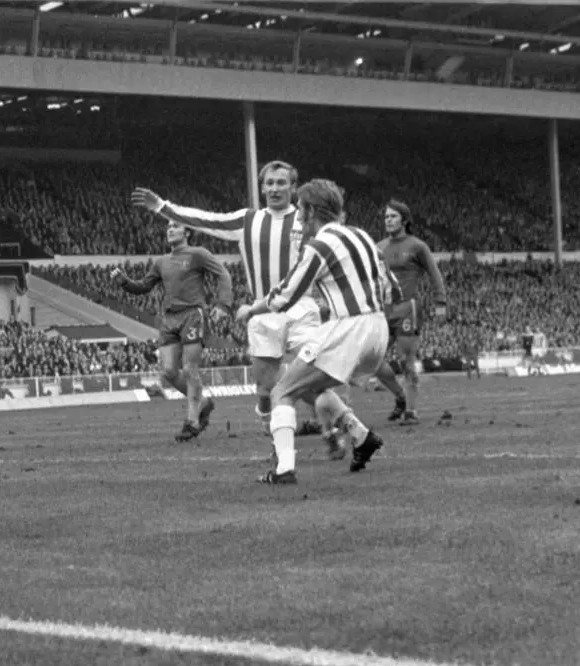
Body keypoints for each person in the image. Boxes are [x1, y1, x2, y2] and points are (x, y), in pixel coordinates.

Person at [132, 161, 323, 425]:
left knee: (314, 372)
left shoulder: (307, 221)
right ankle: (279, 412)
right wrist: (163, 207)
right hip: (263, 312)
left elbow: (330, 253)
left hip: (302, 308)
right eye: (269, 183)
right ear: (262, 187)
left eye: (281, 183)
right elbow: (206, 219)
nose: (274, 188)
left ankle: (336, 428)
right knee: (268, 387)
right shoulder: (248, 220)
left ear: (294, 187)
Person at [235, 180, 388, 484]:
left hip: (349, 327)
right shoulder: (362, 236)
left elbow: (287, 294)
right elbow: (386, 282)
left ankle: (284, 470)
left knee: (282, 391)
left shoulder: (319, 245)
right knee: (309, 385)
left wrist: (252, 309)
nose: (299, 218)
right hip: (378, 329)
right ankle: (361, 437)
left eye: (301, 210)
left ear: (311, 210)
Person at [112, 222, 233, 440]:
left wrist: (223, 304)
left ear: (187, 232)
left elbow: (223, 274)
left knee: (189, 369)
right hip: (169, 318)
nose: (169, 229)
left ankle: (192, 422)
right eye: (167, 226)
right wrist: (124, 282)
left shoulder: (198, 254)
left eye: (175, 226)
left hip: (192, 314)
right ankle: (203, 404)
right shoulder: (161, 262)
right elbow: (142, 287)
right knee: (168, 372)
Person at [377, 200, 448, 425]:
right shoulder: (378, 247)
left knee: (407, 361)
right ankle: (399, 396)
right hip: (383, 310)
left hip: (408, 308)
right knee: (371, 359)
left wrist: (440, 302)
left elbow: (434, 274)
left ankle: (411, 410)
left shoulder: (417, 246)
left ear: (404, 220)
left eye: (393, 216)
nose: (388, 220)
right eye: (386, 216)